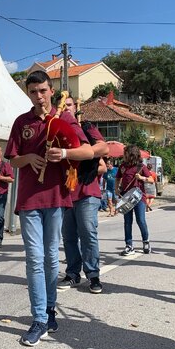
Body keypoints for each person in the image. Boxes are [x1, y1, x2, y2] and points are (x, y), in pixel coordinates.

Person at [5, 71, 93, 346]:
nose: (39, 96)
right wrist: (29, 157)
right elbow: (13, 161)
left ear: (51, 91)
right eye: (33, 92)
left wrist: (65, 154)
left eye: (43, 90)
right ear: (28, 93)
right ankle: (39, 318)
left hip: (56, 197)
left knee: (51, 259)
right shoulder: (22, 122)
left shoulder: (65, 118)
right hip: (29, 199)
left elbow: (88, 151)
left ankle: (50, 308)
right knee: (34, 258)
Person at [57, 94, 109, 294]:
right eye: (62, 107)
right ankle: (72, 274)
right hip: (67, 192)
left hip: (87, 190)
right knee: (68, 236)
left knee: (87, 232)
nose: (65, 109)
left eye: (68, 105)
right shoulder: (57, 132)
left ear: (75, 106)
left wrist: (82, 157)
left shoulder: (87, 127)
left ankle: (93, 275)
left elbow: (103, 148)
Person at [115, 145, 154, 255]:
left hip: (139, 197)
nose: (124, 155)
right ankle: (129, 245)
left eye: (125, 153)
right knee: (127, 222)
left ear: (131, 154)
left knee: (140, 220)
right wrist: (116, 189)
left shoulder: (141, 166)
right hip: (126, 197)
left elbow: (151, 180)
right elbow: (117, 178)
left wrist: (142, 178)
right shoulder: (122, 166)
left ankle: (146, 242)